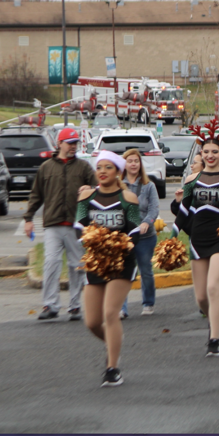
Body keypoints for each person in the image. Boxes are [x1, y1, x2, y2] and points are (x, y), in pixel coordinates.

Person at [173, 118, 219, 356]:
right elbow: (184, 210)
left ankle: (215, 338)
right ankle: (208, 314)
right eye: (206, 152)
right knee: (201, 297)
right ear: (201, 153)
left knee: (213, 287)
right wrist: (173, 232)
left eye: (214, 151)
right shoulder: (192, 180)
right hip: (197, 239)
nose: (210, 155)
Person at [75, 150, 141, 387]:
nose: (102, 172)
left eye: (108, 167)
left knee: (110, 313)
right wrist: (92, 238)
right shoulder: (87, 197)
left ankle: (112, 368)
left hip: (122, 261)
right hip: (95, 260)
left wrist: (121, 244)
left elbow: (133, 229)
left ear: (118, 172)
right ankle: (113, 344)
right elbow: (78, 227)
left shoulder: (128, 198)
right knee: (92, 321)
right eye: (99, 167)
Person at [24, 128, 96, 321]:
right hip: (53, 224)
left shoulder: (83, 167)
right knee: (51, 263)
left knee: (77, 265)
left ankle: (74, 306)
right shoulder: (46, 167)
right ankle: (50, 305)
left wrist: (90, 189)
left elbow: (99, 189)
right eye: (69, 143)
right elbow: (36, 195)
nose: (73, 147)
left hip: (76, 225)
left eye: (75, 143)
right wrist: (28, 218)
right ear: (60, 144)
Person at [119, 149, 159, 319]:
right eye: (130, 161)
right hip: (123, 237)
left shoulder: (148, 185)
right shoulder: (118, 185)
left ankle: (148, 303)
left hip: (145, 237)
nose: (133, 164)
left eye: (136, 161)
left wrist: (146, 222)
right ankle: (121, 308)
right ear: (124, 164)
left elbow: (154, 209)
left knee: (146, 270)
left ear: (140, 164)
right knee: (121, 272)